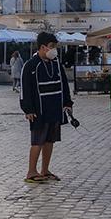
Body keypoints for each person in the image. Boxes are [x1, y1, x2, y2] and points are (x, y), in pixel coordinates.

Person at [19, 31, 73, 184]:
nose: (53, 50)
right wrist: (28, 109)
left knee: (50, 141)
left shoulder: (56, 64)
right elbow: (25, 89)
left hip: (55, 109)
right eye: (51, 47)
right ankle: (31, 171)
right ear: (42, 47)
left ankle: (45, 169)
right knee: (37, 141)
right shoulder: (30, 66)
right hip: (38, 111)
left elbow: (64, 85)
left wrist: (67, 103)